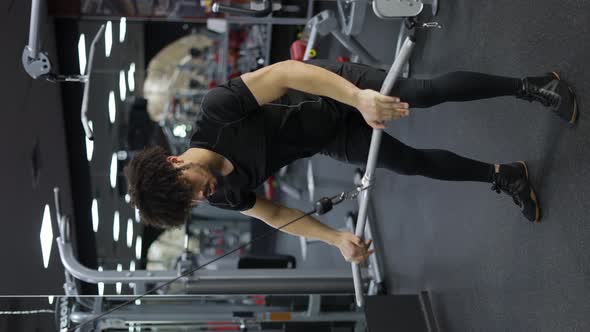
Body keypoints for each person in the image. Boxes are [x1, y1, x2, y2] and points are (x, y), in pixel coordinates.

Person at [125, 60, 577, 264]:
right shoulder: (222, 195)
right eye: (193, 202)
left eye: (191, 189)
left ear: (174, 161)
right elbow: (278, 215)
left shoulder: (217, 111)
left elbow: (285, 74)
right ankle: (505, 176)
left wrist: (360, 97)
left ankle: (532, 86)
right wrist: (334, 238)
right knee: (409, 163)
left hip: (335, 86)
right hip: (331, 136)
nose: (202, 196)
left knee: (420, 94)